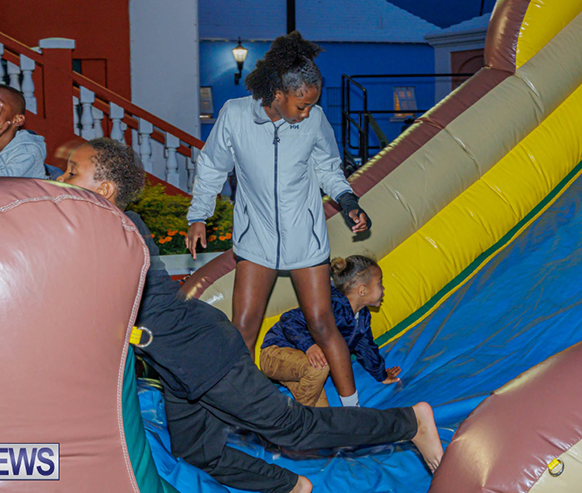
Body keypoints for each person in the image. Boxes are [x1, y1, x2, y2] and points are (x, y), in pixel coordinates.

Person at [57, 138, 443, 493]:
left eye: (72, 173)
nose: (61, 179)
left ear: (104, 191)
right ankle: (291, 486)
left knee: (294, 429)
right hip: (178, 367)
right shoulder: (105, 231)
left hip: (205, 356)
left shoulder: (121, 232)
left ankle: (411, 422)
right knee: (197, 450)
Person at [186, 31, 370, 407]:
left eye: (311, 105)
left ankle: (353, 411)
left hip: (305, 237)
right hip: (256, 238)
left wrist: (349, 201)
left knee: (321, 322)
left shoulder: (314, 121)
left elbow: (328, 168)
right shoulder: (235, 114)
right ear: (278, 93)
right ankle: (240, 408)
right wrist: (199, 215)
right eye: (301, 105)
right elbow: (212, 166)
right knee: (244, 326)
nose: (307, 113)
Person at [260, 255, 400, 407]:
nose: (383, 289)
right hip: (275, 353)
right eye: (380, 283)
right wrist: (309, 346)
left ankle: (299, 416)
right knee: (320, 366)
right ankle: (296, 417)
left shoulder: (362, 317)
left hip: (305, 368)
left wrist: (382, 375)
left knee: (322, 415)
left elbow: (366, 349)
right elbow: (289, 319)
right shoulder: (329, 306)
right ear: (362, 290)